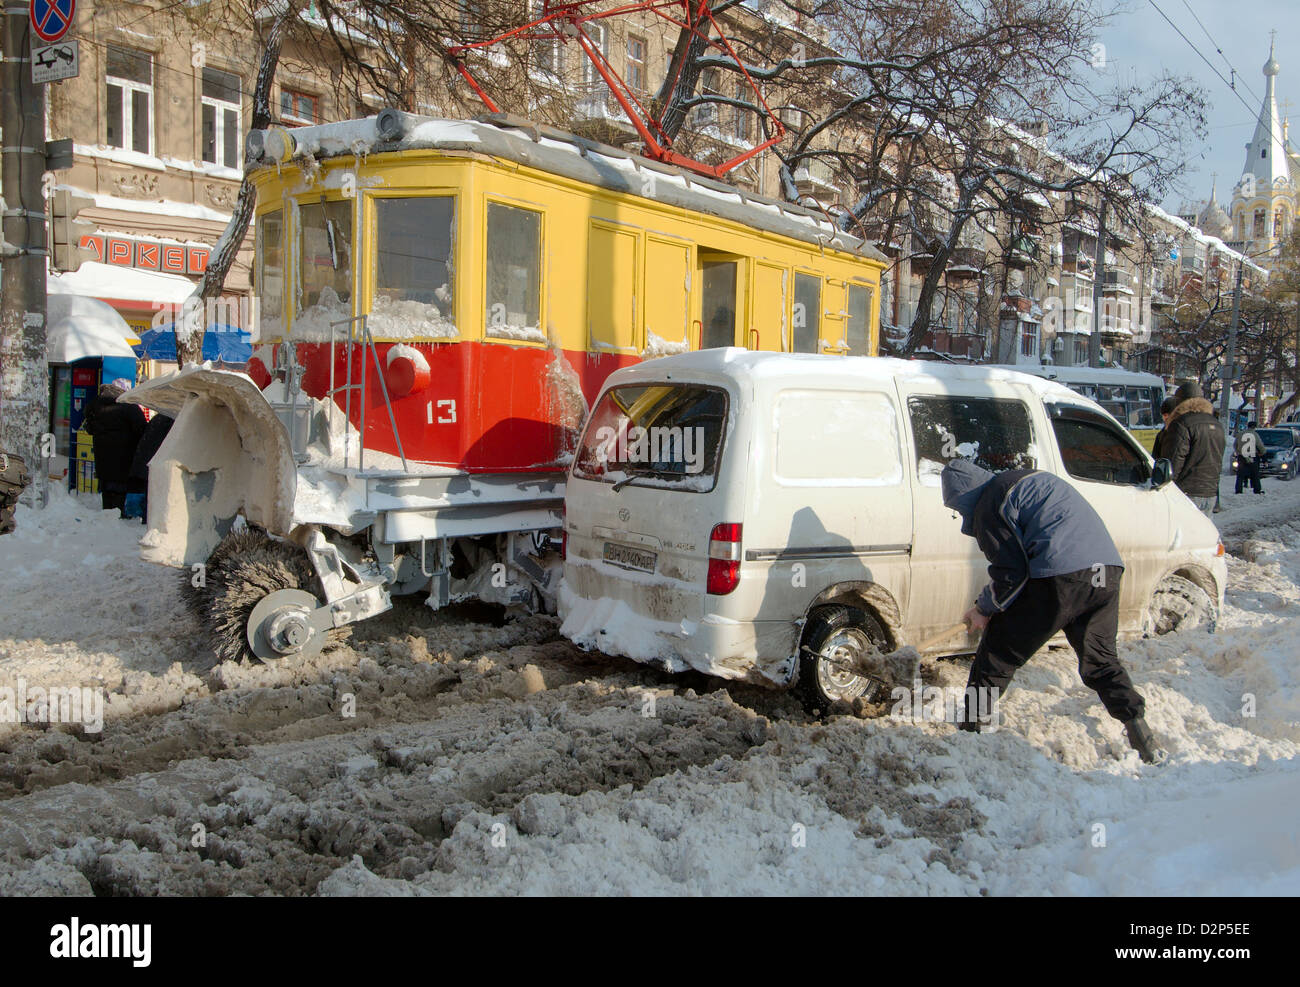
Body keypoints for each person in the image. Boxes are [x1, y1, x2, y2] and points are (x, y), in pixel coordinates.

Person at [941, 458, 1166, 764]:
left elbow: (1011, 572)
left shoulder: (990, 502)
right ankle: (1140, 732)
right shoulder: (1024, 481)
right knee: (1100, 660)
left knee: (998, 651)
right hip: (1106, 571)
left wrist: (984, 608)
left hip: (1061, 576)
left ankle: (969, 732)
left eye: (957, 509)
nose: (960, 515)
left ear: (964, 497)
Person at [1162, 381, 1226, 519]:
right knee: (1203, 537)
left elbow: (1173, 462)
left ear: (1179, 402)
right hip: (1210, 493)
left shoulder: (1181, 424)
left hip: (1186, 493)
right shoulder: (1216, 424)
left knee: (1182, 537)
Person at [81, 380, 146, 516]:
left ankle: (107, 513)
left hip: (102, 456)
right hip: (124, 456)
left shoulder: (95, 405)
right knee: (120, 488)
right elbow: (141, 428)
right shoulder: (129, 407)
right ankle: (119, 514)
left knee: (107, 486)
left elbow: (89, 427)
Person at [127, 412, 175, 525]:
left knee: (150, 490)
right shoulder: (173, 421)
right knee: (157, 492)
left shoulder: (159, 418)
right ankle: (152, 520)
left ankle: (147, 518)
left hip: (146, 459)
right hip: (157, 460)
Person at [1234, 420, 1264, 496]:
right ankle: (1257, 489)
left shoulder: (1240, 434)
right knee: (1255, 474)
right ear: (1254, 427)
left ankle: (1238, 490)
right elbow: (1260, 445)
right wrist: (1263, 452)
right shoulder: (1255, 434)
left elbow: (1235, 445)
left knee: (1240, 474)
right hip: (1252, 455)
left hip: (1242, 456)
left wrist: (1238, 452)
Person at [1150, 396, 1178, 460]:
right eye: (1164, 415)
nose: (1166, 418)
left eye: (1169, 415)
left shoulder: (1183, 432)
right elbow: (1155, 457)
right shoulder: (1161, 435)